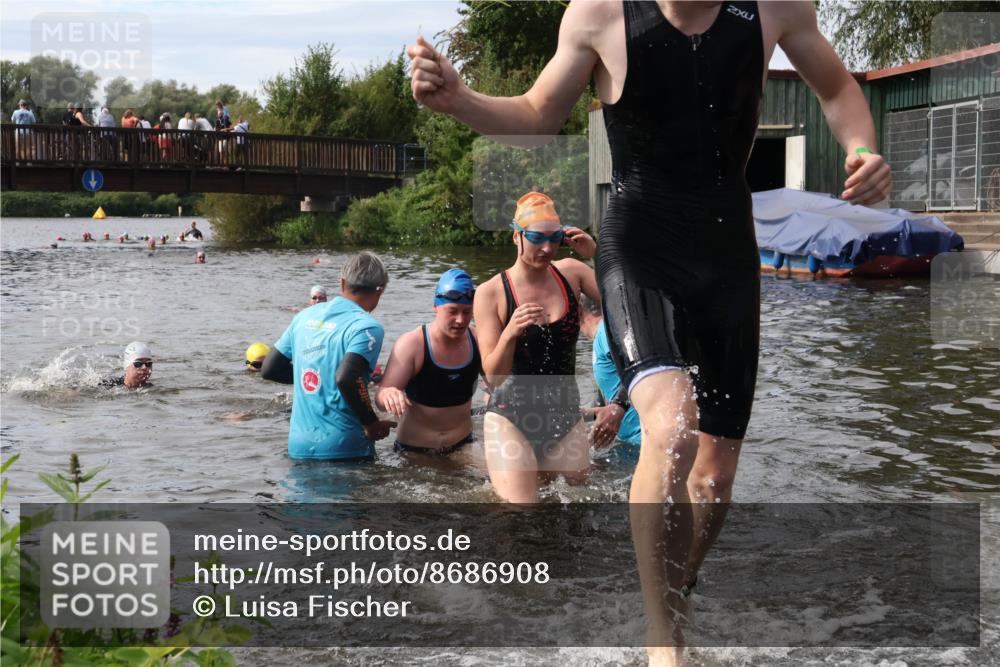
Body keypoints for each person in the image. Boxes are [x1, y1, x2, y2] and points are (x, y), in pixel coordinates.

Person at [408, 3, 891, 662]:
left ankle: (678, 587)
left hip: (726, 256)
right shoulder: (600, 13)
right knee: (672, 426)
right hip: (640, 248)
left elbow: (836, 89)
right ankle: (665, 642)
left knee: (714, 482)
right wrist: (460, 99)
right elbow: (539, 114)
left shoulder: (774, 8)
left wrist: (861, 149)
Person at [473, 192, 600, 503]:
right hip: (511, 417)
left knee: (577, 507)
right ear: (517, 236)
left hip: (565, 416)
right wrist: (510, 334)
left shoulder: (572, 273)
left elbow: (625, 300)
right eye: (536, 238)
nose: (547, 248)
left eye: (555, 238)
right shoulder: (492, 293)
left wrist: (596, 255)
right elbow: (494, 376)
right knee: (520, 511)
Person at [261, 251, 396, 461]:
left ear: (342, 283)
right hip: (346, 447)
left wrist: (315, 377)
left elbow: (269, 369)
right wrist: (371, 424)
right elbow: (347, 377)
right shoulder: (367, 327)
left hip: (299, 446)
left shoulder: (304, 316)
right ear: (380, 290)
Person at [375, 268, 482, 457]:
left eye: (467, 312)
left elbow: (497, 380)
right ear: (435, 306)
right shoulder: (412, 344)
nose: (460, 320)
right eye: (452, 311)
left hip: (463, 444)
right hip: (415, 450)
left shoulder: (478, 338)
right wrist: (388, 394)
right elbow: (380, 397)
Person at [578, 294, 640, 449]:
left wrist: (619, 405)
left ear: (577, 310)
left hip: (642, 440)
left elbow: (639, 368)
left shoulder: (607, 332)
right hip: (628, 443)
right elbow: (605, 400)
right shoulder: (602, 337)